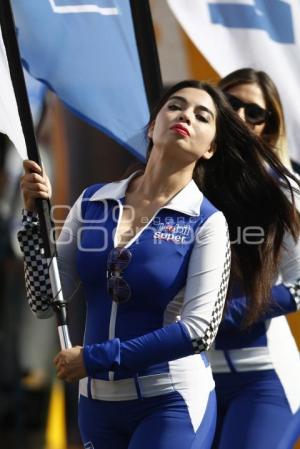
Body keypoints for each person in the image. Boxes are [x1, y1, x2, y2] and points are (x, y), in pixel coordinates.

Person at [18, 80, 298, 449]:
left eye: (202, 115)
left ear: (212, 147)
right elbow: (44, 301)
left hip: (171, 401)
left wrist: (97, 357)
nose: (186, 116)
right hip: (97, 404)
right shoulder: (90, 202)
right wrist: (33, 221)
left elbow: (199, 331)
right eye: (175, 106)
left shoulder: (207, 220)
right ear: (152, 126)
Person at [208, 68, 300, 449]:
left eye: (255, 112)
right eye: (231, 104)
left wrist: (221, 316)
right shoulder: (175, 186)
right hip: (190, 377)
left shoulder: (282, 191)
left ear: (269, 126)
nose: (241, 118)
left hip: (264, 378)